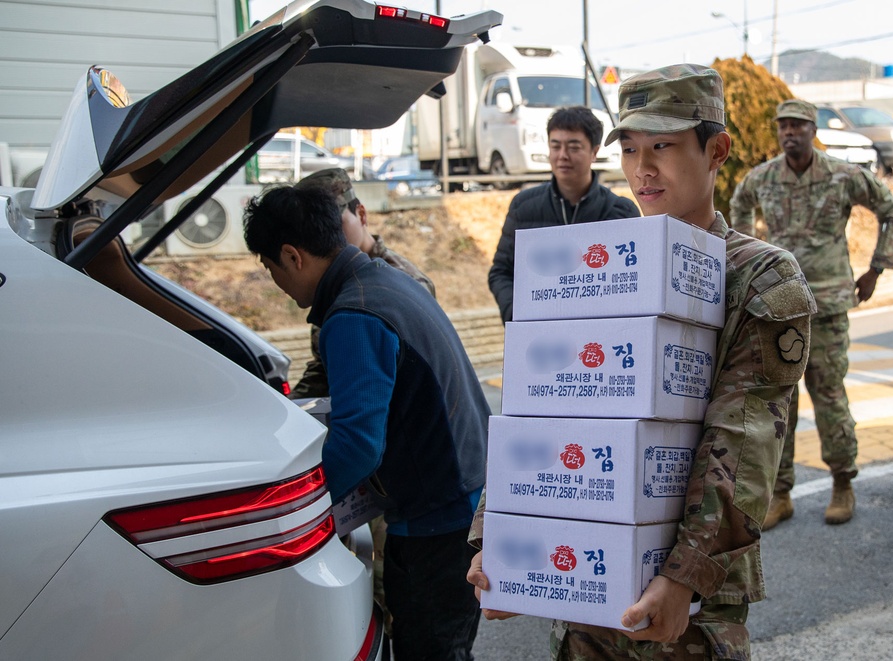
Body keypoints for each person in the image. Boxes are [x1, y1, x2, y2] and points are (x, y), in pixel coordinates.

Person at [467, 64, 816, 659]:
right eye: (629, 150)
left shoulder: (760, 277)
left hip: (688, 613)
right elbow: (544, 408)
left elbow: (743, 437)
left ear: (717, 151)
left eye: (663, 147)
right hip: (587, 597)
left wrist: (682, 577)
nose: (641, 169)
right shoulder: (607, 266)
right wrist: (498, 537)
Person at [244, 185, 488, 661]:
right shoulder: (384, 280)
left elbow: (357, 445)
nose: (277, 283)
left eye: (271, 270)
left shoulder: (353, 315)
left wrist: (293, 513)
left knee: (430, 649)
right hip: (466, 504)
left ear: (292, 256)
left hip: (437, 526)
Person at [729, 99, 893, 529]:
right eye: (783, 125)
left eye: (798, 125)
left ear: (813, 129)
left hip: (826, 306)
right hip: (778, 305)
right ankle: (780, 492)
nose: (790, 132)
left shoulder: (842, 176)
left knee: (828, 397)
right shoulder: (763, 177)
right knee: (780, 402)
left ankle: (843, 482)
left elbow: (890, 208)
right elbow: (738, 206)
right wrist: (750, 259)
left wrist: (877, 268)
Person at [290, 167, 436, 400]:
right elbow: (323, 369)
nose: (328, 236)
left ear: (362, 214)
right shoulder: (332, 281)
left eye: (336, 224)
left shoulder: (402, 282)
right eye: (315, 230)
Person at [488, 105, 640, 323]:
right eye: (555, 146)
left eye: (574, 147)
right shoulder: (523, 207)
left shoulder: (622, 213)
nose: (562, 156)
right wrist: (515, 314)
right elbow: (501, 272)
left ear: (594, 152)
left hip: (599, 340)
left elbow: (633, 279)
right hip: (538, 335)